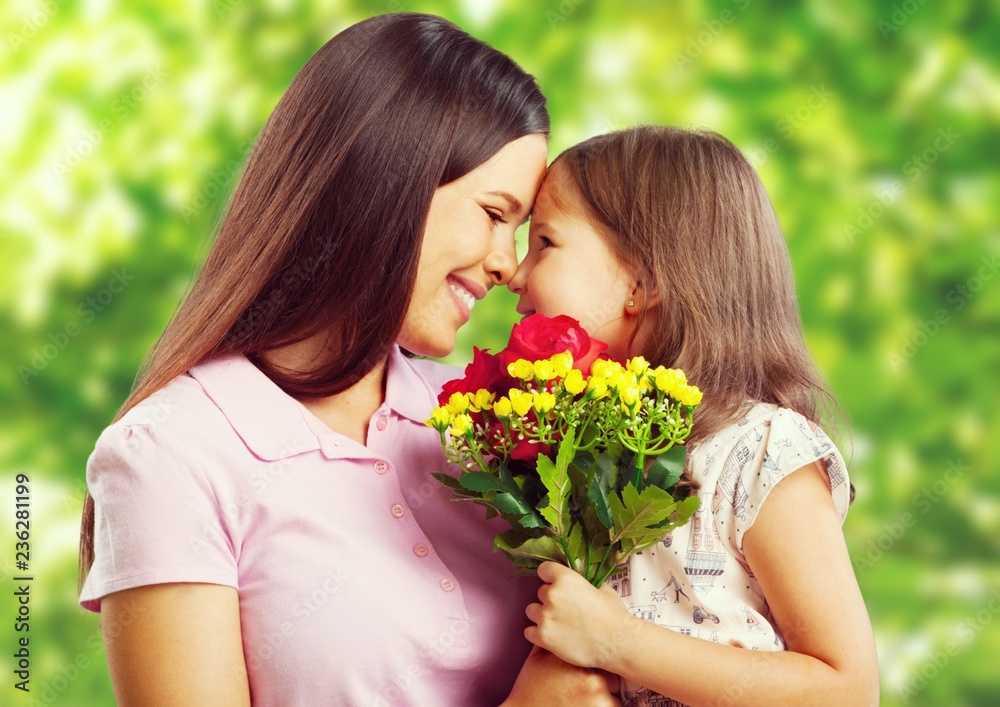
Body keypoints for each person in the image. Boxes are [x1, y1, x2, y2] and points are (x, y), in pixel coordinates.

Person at [78, 13, 617, 706]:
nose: (505, 265)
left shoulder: (478, 417)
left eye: (522, 232)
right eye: (493, 213)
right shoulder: (170, 455)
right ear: (387, 177)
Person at [506, 125, 880, 706]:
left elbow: (847, 691)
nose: (514, 274)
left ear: (642, 281)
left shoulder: (761, 448)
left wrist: (615, 642)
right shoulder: (588, 450)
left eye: (545, 243)